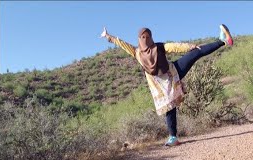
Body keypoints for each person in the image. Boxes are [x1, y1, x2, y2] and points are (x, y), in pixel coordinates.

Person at [100, 24, 233, 146]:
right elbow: (174, 46)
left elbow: (122, 44)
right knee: (196, 53)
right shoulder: (158, 47)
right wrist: (190, 46)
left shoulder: (137, 53)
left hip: (161, 87)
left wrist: (108, 36)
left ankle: (173, 137)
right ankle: (224, 41)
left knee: (169, 108)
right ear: (151, 37)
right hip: (175, 74)